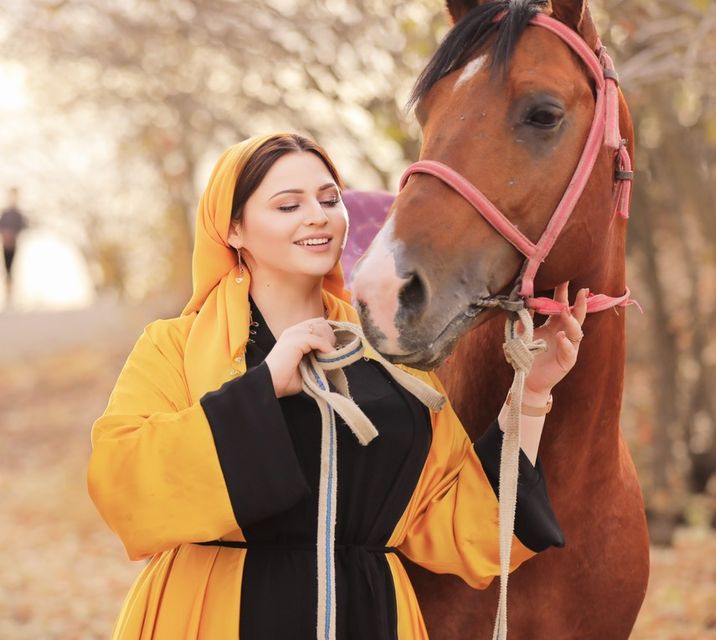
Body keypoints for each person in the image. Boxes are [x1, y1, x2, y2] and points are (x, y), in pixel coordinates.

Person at [88, 133, 587, 640]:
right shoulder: (173, 346)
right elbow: (125, 485)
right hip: (209, 618)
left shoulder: (392, 358)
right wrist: (262, 390)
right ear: (233, 228)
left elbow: (460, 521)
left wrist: (531, 394)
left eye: (329, 200)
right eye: (288, 205)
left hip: (369, 620)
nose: (318, 216)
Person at [0, 187, 28, 305]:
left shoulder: (18, 214)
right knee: (7, 270)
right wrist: (6, 235)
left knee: (13, 269)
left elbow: (23, 227)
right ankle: (7, 295)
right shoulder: (5, 214)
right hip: (6, 245)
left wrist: (14, 235)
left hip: (14, 245)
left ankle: (12, 295)